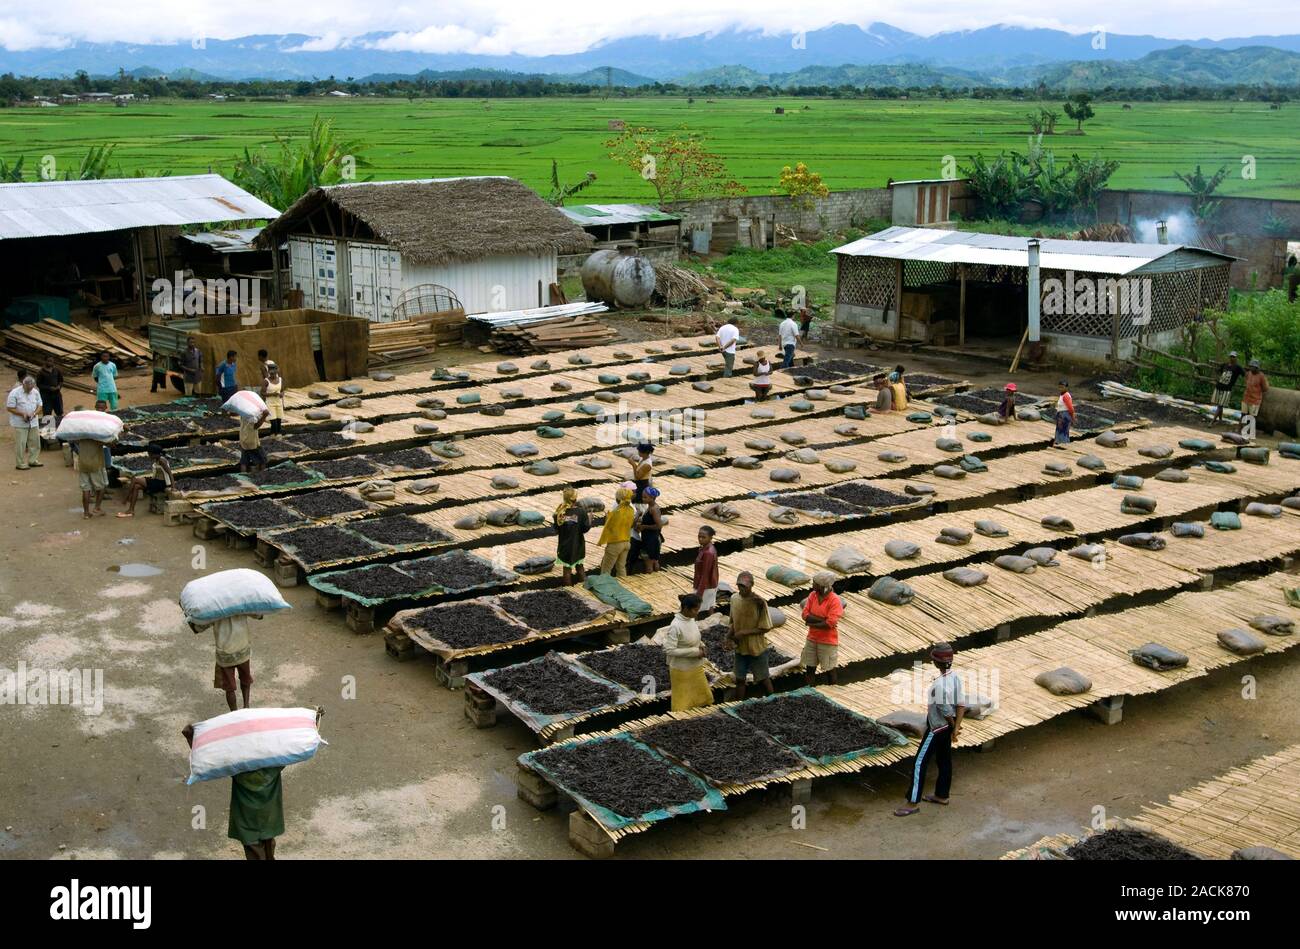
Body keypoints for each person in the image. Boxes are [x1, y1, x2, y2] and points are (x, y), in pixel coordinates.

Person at [181, 707, 322, 860]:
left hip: (246, 820)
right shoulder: (273, 768)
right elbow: (290, 744)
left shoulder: (239, 770)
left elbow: (213, 757)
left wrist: (190, 737)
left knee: (254, 851)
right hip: (269, 817)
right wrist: (314, 720)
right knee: (269, 845)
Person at [895, 643, 965, 817]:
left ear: (935, 662)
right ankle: (942, 795)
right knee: (944, 760)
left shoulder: (937, 685)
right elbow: (961, 704)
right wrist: (955, 727)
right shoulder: (955, 677)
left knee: (919, 762)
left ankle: (912, 802)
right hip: (948, 727)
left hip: (936, 727)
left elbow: (946, 710)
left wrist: (950, 723)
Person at [725, 571, 773, 700]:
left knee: (763, 678)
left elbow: (766, 627)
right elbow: (734, 622)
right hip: (740, 648)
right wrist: (728, 637)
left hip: (756, 648)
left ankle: (773, 699)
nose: (741, 589)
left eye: (744, 586)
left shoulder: (759, 603)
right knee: (740, 679)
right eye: (739, 586)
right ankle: (740, 702)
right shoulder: (734, 598)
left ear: (752, 586)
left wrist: (744, 632)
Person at [662, 593, 712, 712]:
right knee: (683, 703)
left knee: (702, 696)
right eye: (695, 609)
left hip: (696, 666)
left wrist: (701, 645)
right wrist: (695, 652)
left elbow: (694, 636)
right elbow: (670, 650)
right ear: (685, 608)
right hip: (681, 670)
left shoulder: (691, 619)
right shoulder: (675, 626)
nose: (697, 612)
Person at [801, 571, 843, 686]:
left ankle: (833, 690)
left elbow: (831, 622)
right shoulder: (812, 595)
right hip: (812, 638)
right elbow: (805, 614)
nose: (813, 585)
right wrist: (822, 620)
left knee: (829, 669)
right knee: (810, 668)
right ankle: (809, 690)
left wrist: (812, 623)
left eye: (815, 583)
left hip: (827, 641)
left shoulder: (834, 600)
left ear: (822, 585)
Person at [119, 443, 173, 517]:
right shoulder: (157, 459)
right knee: (136, 487)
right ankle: (131, 510)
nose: (149, 456)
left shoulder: (162, 461)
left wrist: (173, 487)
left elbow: (170, 473)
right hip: (156, 482)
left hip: (160, 484)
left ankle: (126, 498)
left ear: (154, 454)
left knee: (134, 479)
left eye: (150, 454)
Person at [553, 487, 589, 585]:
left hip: (565, 547)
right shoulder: (581, 512)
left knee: (567, 571)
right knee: (580, 568)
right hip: (578, 546)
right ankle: (586, 588)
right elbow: (585, 529)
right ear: (575, 499)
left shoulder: (558, 513)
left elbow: (556, 529)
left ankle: (569, 592)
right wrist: (590, 520)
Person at [7, 375, 43, 470]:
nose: (30, 390)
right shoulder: (14, 393)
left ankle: (33, 460)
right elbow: (10, 408)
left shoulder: (35, 392)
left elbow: (40, 404)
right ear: (24, 384)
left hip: (33, 421)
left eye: (32, 387)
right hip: (20, 423)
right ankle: (20, 463)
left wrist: (34, 413)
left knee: (35, 442)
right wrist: (22, 414)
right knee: (21, 444)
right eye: (28, 388)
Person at [598, 487, 635, 577]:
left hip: (615, 544)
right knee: (621, 567)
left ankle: (605, 589)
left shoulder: (615, 512)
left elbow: (609, 528)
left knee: (606, 570)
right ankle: (623, 585)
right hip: (626, 542)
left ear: (617, 499)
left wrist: (607, 518)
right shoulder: (631, 510)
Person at [638, 486, 665, 573]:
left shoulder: (654, 509)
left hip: (652, 540)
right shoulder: (650, 507)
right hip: (650, 538)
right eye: (642, 496)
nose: (643, 499)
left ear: (652, 498)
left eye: (645, 497)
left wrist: (644, 527)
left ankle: (650, 579)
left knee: (649, 563)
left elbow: (659, 525)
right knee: (654, 561)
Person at [693, 525, 719, 617]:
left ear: (710, 538)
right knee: (710, 605)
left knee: (694, 606)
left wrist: (699, 592)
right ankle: (713, 621)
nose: (700, 539)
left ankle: (693, 625)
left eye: (703, 537)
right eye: (699, 536)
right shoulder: (706, 548)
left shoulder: (708, 553)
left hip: (706, 585)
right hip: (712, 583)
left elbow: (705, 574)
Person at [1212, 352, 1244, 424]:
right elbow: (1219, 372)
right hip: (1219, 386)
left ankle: (1212, 421)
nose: (1232, 358)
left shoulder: (1238, 367)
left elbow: (1244, 374)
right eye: (1231, 356)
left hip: (1227, 389)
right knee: (1219, 404)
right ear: (1229, 357)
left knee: (1220, 405)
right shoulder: (1224, 365)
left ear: (1236, 358)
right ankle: (1220, 420)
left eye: (1234, 357)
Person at [35, 357, 64, 425]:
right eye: (49, 361)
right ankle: (47, 431)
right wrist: (49, 388)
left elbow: (61, 380)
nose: (50, 363)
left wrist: (59, 386)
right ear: (45, 361)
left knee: (59, 412)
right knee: (47, 414)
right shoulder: (40, 372)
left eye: (52, 361)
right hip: (46, 397)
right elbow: (39, 384)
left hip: (56, 395)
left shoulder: (56, 370)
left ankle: (60, 427)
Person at [239, 409, 269, 473]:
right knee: (262, 460)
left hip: (243, 439)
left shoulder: (242, 412)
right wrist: (264, 416)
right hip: (252, 440)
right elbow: (255, 426)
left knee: (244, 461)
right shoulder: (251, 413)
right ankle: (261, 475)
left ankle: (243, 475)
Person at [260, 361, 285, 435]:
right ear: (269, 372)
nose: (272, 375)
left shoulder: (280, 380)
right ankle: (275, 435)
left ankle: (274, 436)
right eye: (271, 373)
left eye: (274, 373)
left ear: (277, 372)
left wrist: (282, 394)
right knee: (274, 423)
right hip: (270, 404)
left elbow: (283, 390)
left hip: (279, 403)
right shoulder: (266, 381)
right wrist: (272, 394)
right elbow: (262, 393)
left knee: (279, 422)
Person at [1242, 359, 1269, 426]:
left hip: (1255, 400)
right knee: (1243, 414)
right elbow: (1246, 382)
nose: (1251, 368)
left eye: (1252, 367)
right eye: (1250, 366)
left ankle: (1250, 430)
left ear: (1256, 368)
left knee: (1252, 416)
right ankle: (1241, 427)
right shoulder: (1248, 374)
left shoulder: (1261, 376)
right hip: (1246, 397)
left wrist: (1257, 391)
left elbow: (1265, 388)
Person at [1053, 379, 1075, 447]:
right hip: (1061, 415)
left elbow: (1070, 408)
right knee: (1060, 429)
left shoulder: (1066, 396)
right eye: (1060, 387)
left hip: (1064, 415)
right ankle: (1059, 443)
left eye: (1062, 387)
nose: (1061, 388)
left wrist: (1073, 416)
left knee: (1063, 430)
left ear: (1066, 387)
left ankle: (1063, 444)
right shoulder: (1062, 395)